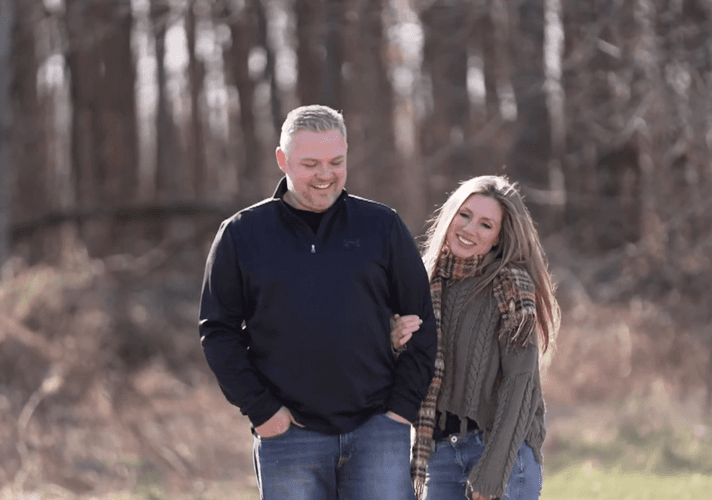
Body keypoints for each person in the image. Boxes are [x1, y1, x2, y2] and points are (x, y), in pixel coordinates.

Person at [199, 104, 437, 500]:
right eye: (310, 163)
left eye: (336, 162)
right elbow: (218, 332)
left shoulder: (381, 226)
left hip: (377, 429)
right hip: (289, 435)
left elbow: (422, 321)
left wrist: (399, 412)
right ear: (282, 160)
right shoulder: (242, 235)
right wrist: (263, 413)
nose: (326, 175)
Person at [391, 175, 560, 500]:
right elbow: (410, 379)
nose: (469, 229)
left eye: (485, 224)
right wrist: (395, 342)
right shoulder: (425, 285)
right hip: (438, 454)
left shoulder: (511, 286)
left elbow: (520, 383)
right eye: (464, 215)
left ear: (498, 238)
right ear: (450, 214)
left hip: (498, 452)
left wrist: (493, 472)